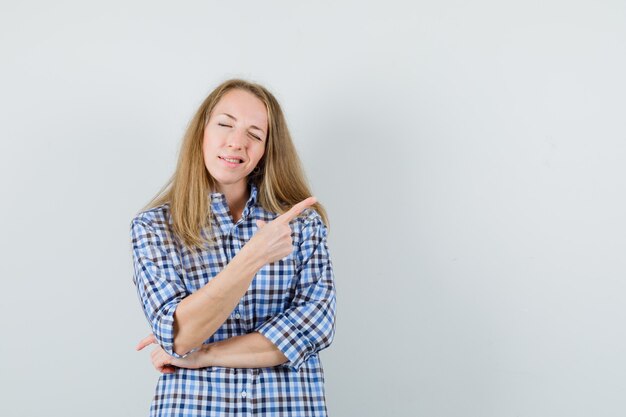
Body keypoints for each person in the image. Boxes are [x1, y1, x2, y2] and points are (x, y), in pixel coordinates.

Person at [129, 78, 337, 417]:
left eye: (255, 134)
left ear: (266, 150)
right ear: (201, 132)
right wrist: (254, 257)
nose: (237, 142)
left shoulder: (301, 225)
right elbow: (179, 335)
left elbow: (313, 328)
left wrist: (204, 355)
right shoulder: (153, 228)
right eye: (225, 124)